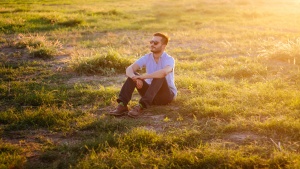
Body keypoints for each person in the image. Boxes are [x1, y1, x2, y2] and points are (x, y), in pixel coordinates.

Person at [109, 32, 177, 118]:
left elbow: (163, 72)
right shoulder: (147, 57)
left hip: (166, 96)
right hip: (150, 94)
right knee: (133, 75)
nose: (152, 44)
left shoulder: (169, 59)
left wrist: (142, 77)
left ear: (163, 46)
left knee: (160, 76)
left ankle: (141, 106)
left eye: (155, 43)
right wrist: (135, 78)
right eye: (151, 42)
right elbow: (129, 69)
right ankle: (122, 105)